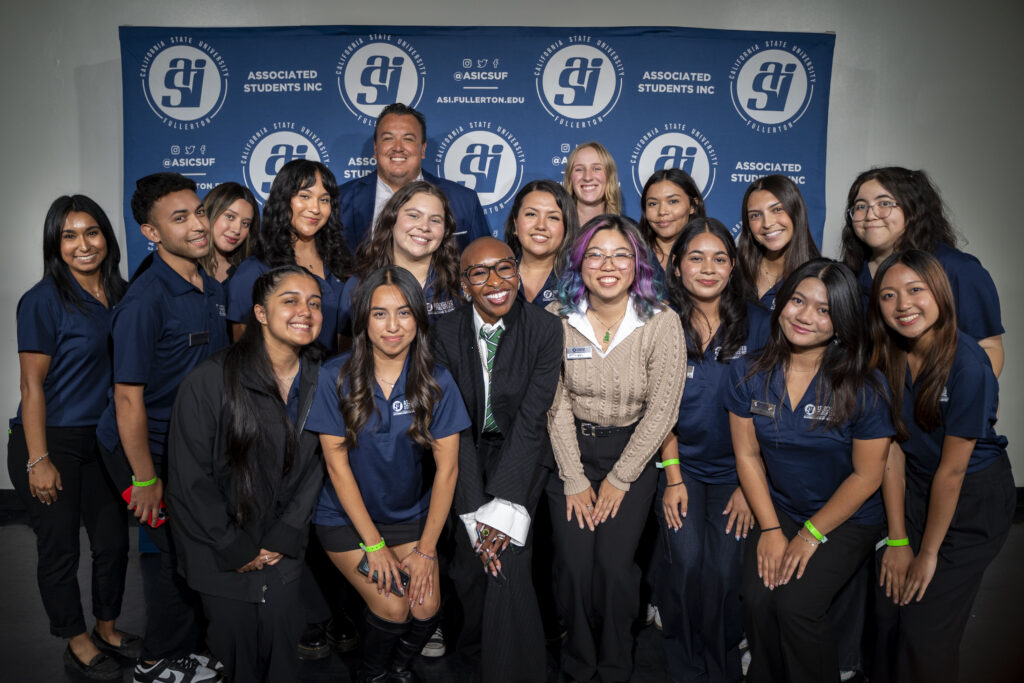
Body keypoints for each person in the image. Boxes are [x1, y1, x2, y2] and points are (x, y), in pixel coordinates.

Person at [725, 258, 893, 683]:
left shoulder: (864, 386)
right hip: (782, 505)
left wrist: (808, 535)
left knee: (796, 605)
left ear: (841, 324)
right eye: (798, 300)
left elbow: (867, 476)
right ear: (782, 303)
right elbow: (746, 456)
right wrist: (770, 529)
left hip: (847, 517)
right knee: (758, 600)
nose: (805, 316)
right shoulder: (747, 372)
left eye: (824, 309)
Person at [306, 266, 470, 683]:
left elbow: (448, 469)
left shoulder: (437, 381)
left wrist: (427, 551)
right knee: (394, 607)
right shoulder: (335, 376)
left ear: (419, 318)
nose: (393, 326)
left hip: (409, 517)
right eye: (379, 314)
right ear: (363, 320)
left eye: (403, 313)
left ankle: (397, 669)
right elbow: (336, 465)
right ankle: (371, 675)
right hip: (345, 519)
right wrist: (374, 545)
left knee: (426, 607)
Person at [94, 172, 228, 682]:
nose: (198, 224)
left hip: (187, 446)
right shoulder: (144, 301)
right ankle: (156, 663)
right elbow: (126, 397)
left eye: (198, 212)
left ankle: (186, 650)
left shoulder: (208, 283)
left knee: (193, 550)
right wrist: (145, 478)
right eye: (180, 218)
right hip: (140, 448)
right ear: (151, 233)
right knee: (173, 555)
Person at [167, 265, 326, 682]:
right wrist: (234, 547)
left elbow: (319, 466)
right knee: (236, 655)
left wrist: (286, 533)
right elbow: (189, 480)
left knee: (284, 652)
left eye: (314, 303)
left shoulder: (325, 378)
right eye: (289, 300)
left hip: (282, 548)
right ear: (260, 313)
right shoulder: (209, 381)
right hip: (221, 552)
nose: (304, 311)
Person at [546, 215, 685, 682]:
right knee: (573, 565)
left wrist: (620, 479)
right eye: (597, 254)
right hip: (569, 455)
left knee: (612, 566)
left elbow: (663, 410)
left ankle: (614, 662)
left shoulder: (661, 322)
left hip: (633, 456)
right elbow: (554, 404)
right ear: (580, 262)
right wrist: (574, 477)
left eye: (621, 254)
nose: (608, 265)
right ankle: (579, 663)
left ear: (638, 264)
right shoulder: (556, 318)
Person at [867, 250, 1014, 683]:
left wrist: (927, 554)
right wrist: (898, 540)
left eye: (916, 290)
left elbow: (953, 472)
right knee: (886, 608)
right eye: (889, 296)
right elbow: (891, 450)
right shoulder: (886, 357)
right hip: (914, 485)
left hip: (972, 499)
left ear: (941, 294)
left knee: (924, 629)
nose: (903, 305)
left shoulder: (968, 365)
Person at [7, 196, 134, 681]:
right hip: (50, 438)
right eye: (69, 235)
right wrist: (38, 458)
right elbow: (30, 386)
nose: (84, 244)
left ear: (107, 236)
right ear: (55, 244)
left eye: (92, 232)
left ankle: (106, 627)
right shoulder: (43, 299)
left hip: (102, 438)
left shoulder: (123, 293)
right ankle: (76, 639)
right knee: (60, 548)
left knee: (112, 543)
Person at [431, 237, 563, 681]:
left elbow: (531, 421)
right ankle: (470, 662)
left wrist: (505, 503)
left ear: (518, 271)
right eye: (479, 273)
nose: (496, 282)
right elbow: (452, 427)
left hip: (520, 458)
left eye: (505, 268)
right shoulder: (443, 333)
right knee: (471, 563)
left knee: (508, 558)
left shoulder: (544, 329)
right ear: (464, 284)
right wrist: (473, 511)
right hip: (461, 453)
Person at [656, 218, 768, 683]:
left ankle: (721, 664)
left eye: (719, 258)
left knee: (722, 573)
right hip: (679, 466)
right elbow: (655, 405)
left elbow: (772, 404)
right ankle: (683, 664)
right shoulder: (660, 319)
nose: (708, 268)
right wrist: (673, 477)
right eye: (695, 258)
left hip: (737, 473)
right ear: (677, 266)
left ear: (733, 266)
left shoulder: (759, 322)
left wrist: (750, 485)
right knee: (684, 565)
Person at [840, 166, 1004, 376]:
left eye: (884, 203)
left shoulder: (957, 268)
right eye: (860, 206)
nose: (871, 214)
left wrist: (974, 402)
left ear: (912, 208)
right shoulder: (849, 275)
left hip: (940, 400)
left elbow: (989, 347)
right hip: (874, 402)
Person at [227, 159, 352, 352]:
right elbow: (244, 349)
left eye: (324, 199)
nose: (316, 208)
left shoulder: (343, 262)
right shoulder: (254, 270)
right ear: (283, 199)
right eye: (305, 196)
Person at [338, 102, 491, 250]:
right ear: (376, 148)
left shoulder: (463, 200)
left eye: (408, 139)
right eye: (388, 138)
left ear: (423, 149)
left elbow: (484, 259)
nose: (398, 147)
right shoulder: (340, 200)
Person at [339, 180, 462, 333]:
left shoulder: (459, 285)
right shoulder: (357, 286)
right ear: (391, 220)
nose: (424, 227)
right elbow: (347, 351)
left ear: (445, 231)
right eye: (414, 216)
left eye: (435, 220)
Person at [736, 174, 820, 310]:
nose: (767, 223)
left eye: (777, 210)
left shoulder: (819, 276)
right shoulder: (733, 269)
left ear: (796, 212)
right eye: (755, 215)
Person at [503, 179, 580, 308]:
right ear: (515, 224)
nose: (541, 226)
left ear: (566, 228)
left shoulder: (578, 282)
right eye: (531, 214)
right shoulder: (495, 278)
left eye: (553, 217)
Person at [637, 168, 706, 276]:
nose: (662, 212)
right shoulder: (635, 257)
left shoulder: (709, 257)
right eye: (653, 204)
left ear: (693, 205)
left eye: (673, 201)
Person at [198, 182, 259, 283]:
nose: (237, 230)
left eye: (245, 223)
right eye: (230, 217)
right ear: (210, 213)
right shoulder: (186, 266)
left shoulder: (252, 271)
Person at [563, 142, 626, 225]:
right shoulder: (558, 229)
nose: (587, 177)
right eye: (579, 169)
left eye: (596, 169)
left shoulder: (626, 231)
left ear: (609, 176)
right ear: (570, 178)